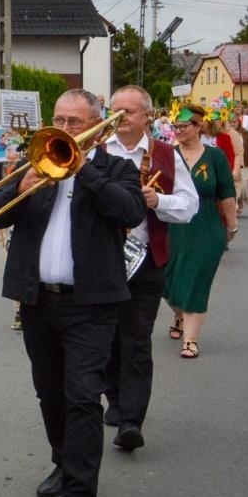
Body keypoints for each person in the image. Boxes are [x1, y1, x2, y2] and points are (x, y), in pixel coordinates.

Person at [0, 89, 143, 497]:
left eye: (75, 122)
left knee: (83, 398)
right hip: (38, 302)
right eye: (59, 120)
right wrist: (20, 186)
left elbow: (129, 210)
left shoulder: (116, 169)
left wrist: (83, 169)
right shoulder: (34, 165)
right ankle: (62, 460)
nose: (65, 129)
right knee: (50, 394)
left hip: (91, 305)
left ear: (97, 126)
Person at [101, 85, 196, 453]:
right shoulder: (95, 150)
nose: (119, 116)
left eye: (128, 111)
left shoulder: (167, 155)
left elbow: (189, 206)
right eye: (114, 109)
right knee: (106, 338)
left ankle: (131, 421)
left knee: (136, 339)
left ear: (147, 117)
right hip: (100, 260)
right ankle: (115, 398)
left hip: (146, 260)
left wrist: (159, 201)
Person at [163, 104, 238, 359]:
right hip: (172, 228)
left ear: (198, 127)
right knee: (167, 281)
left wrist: (231, 226)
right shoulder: (167, 154)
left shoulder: (215, 156)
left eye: (183, 126)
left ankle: (190, 340)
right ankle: (179, 314)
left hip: (206, 228)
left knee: (196, 281)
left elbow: (226, 193)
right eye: (175, 127)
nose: (178, 131)